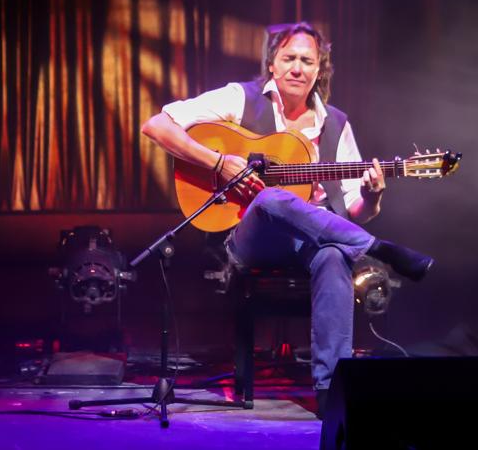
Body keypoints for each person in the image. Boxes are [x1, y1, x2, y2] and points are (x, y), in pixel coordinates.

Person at [141, 21, 434, 418]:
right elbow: (156, 125)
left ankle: (332, 393)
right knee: (270, 198)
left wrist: (371, 195)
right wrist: (218, 162)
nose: (297, 68)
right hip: (248, 237)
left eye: (307, 61)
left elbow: (351, 208)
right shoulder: (239, 99)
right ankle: (378, 249)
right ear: (273, 65)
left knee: (333, 257)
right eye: (289, 58)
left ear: (320, 70)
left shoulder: (336, 123)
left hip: (310, 242)